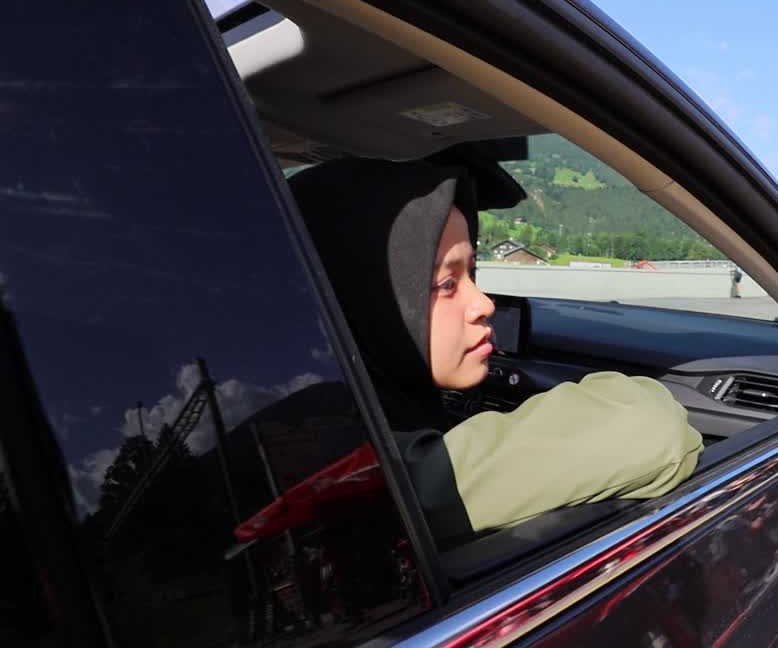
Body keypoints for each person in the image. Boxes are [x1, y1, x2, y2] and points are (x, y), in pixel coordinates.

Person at [289, 156, 704, 541]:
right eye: (445, 284)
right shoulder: (367, 472)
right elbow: (651, 428)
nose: (484, 304)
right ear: (360, 298)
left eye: (472, 272)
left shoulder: (307, 416)